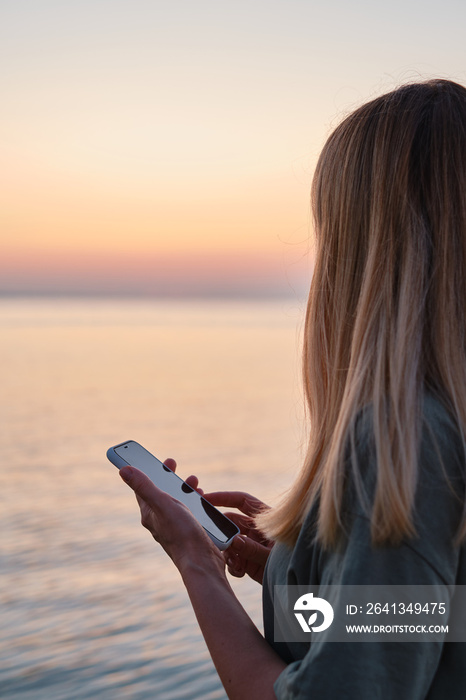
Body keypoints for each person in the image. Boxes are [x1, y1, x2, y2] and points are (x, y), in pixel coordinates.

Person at [118, 78, 466, 699]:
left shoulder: (402, 441)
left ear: (365, 249)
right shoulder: (440, 429)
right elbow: (429, 632)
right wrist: (296, 565)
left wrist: (198, 564)